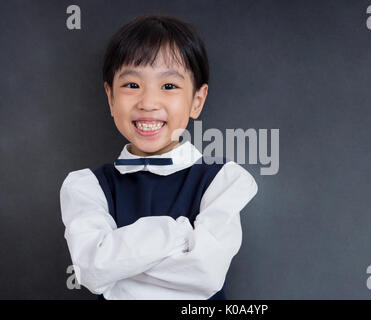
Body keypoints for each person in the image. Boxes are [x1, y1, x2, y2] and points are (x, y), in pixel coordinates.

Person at [59, 15, 258, 300]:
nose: (148, 103)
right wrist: (180, 233)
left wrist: (118, 263)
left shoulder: (224, 181)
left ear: (197, 101)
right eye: (131, 85)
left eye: (168, 86)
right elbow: (92, 270)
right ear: (110, 98)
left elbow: (205, 274)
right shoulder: (86, 187)